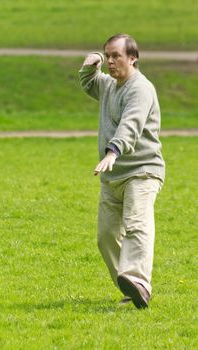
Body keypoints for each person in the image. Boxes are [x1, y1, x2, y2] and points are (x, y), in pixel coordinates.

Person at [79, 34, 165, 309]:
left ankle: (139, 281)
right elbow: (91, 83)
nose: (111, 61)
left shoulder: (140, 89)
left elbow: (131, 124)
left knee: (137, 224)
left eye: (116, 56)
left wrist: (113, 151)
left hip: (142, 170)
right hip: (112, 175)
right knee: (105, 235)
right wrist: (92, 63)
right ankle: (129, 286)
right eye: (108, 55)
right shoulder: (110, 85)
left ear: (133, 58)